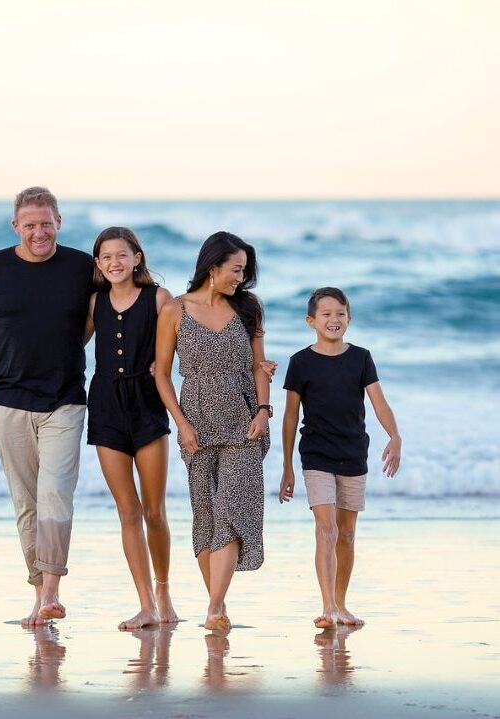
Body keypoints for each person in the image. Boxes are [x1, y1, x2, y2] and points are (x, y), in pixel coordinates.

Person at [0, 186, 93, 626]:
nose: (39, 232)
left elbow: (102, 313)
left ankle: (51, 590)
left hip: (65, 400)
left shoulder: (80, 266)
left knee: (56, 494)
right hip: (8, 403)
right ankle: (39, 594)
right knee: (26, 502)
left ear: (59, 222)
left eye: (46, 223)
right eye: (30, 225)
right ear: (16, 226)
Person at [155, 231, 272, 632]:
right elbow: (162, 374)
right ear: (213, 266)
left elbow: (259, 366)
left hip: (244, 421)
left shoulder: (249, 308)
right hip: (196, 422)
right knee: (205, 516)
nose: (241, 278)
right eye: (235, 270)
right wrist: (181, 424)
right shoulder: (174, 310)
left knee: (231, 508)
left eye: (244, 271)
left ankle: (216, 606)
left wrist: (264, 409)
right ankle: (216, 609)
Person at [278, 287, 402, 628]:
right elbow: (290, 417)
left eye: (341, 314)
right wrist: (287, 465)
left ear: (349, 318)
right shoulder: (300, 362)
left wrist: (395, 436)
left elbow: (379, 402)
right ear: (311, 321)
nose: (334, 320)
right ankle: (328, 606)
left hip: (353, 453)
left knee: (347, 533)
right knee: (326, 529)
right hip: (316, 454)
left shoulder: (361, 358)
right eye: (326, 314)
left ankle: (342, 604)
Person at [86, 226, 178, 629]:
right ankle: (145, 605)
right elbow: (66, 346)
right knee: (128, 509)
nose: (114, 263)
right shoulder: (94, 303)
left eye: (122, 255)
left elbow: (182, 342)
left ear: (137, 258)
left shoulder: (159, 298)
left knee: (154, 511)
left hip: (147, 405)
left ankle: (163, 591)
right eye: (106, 257)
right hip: (105, 406)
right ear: (98, 264)